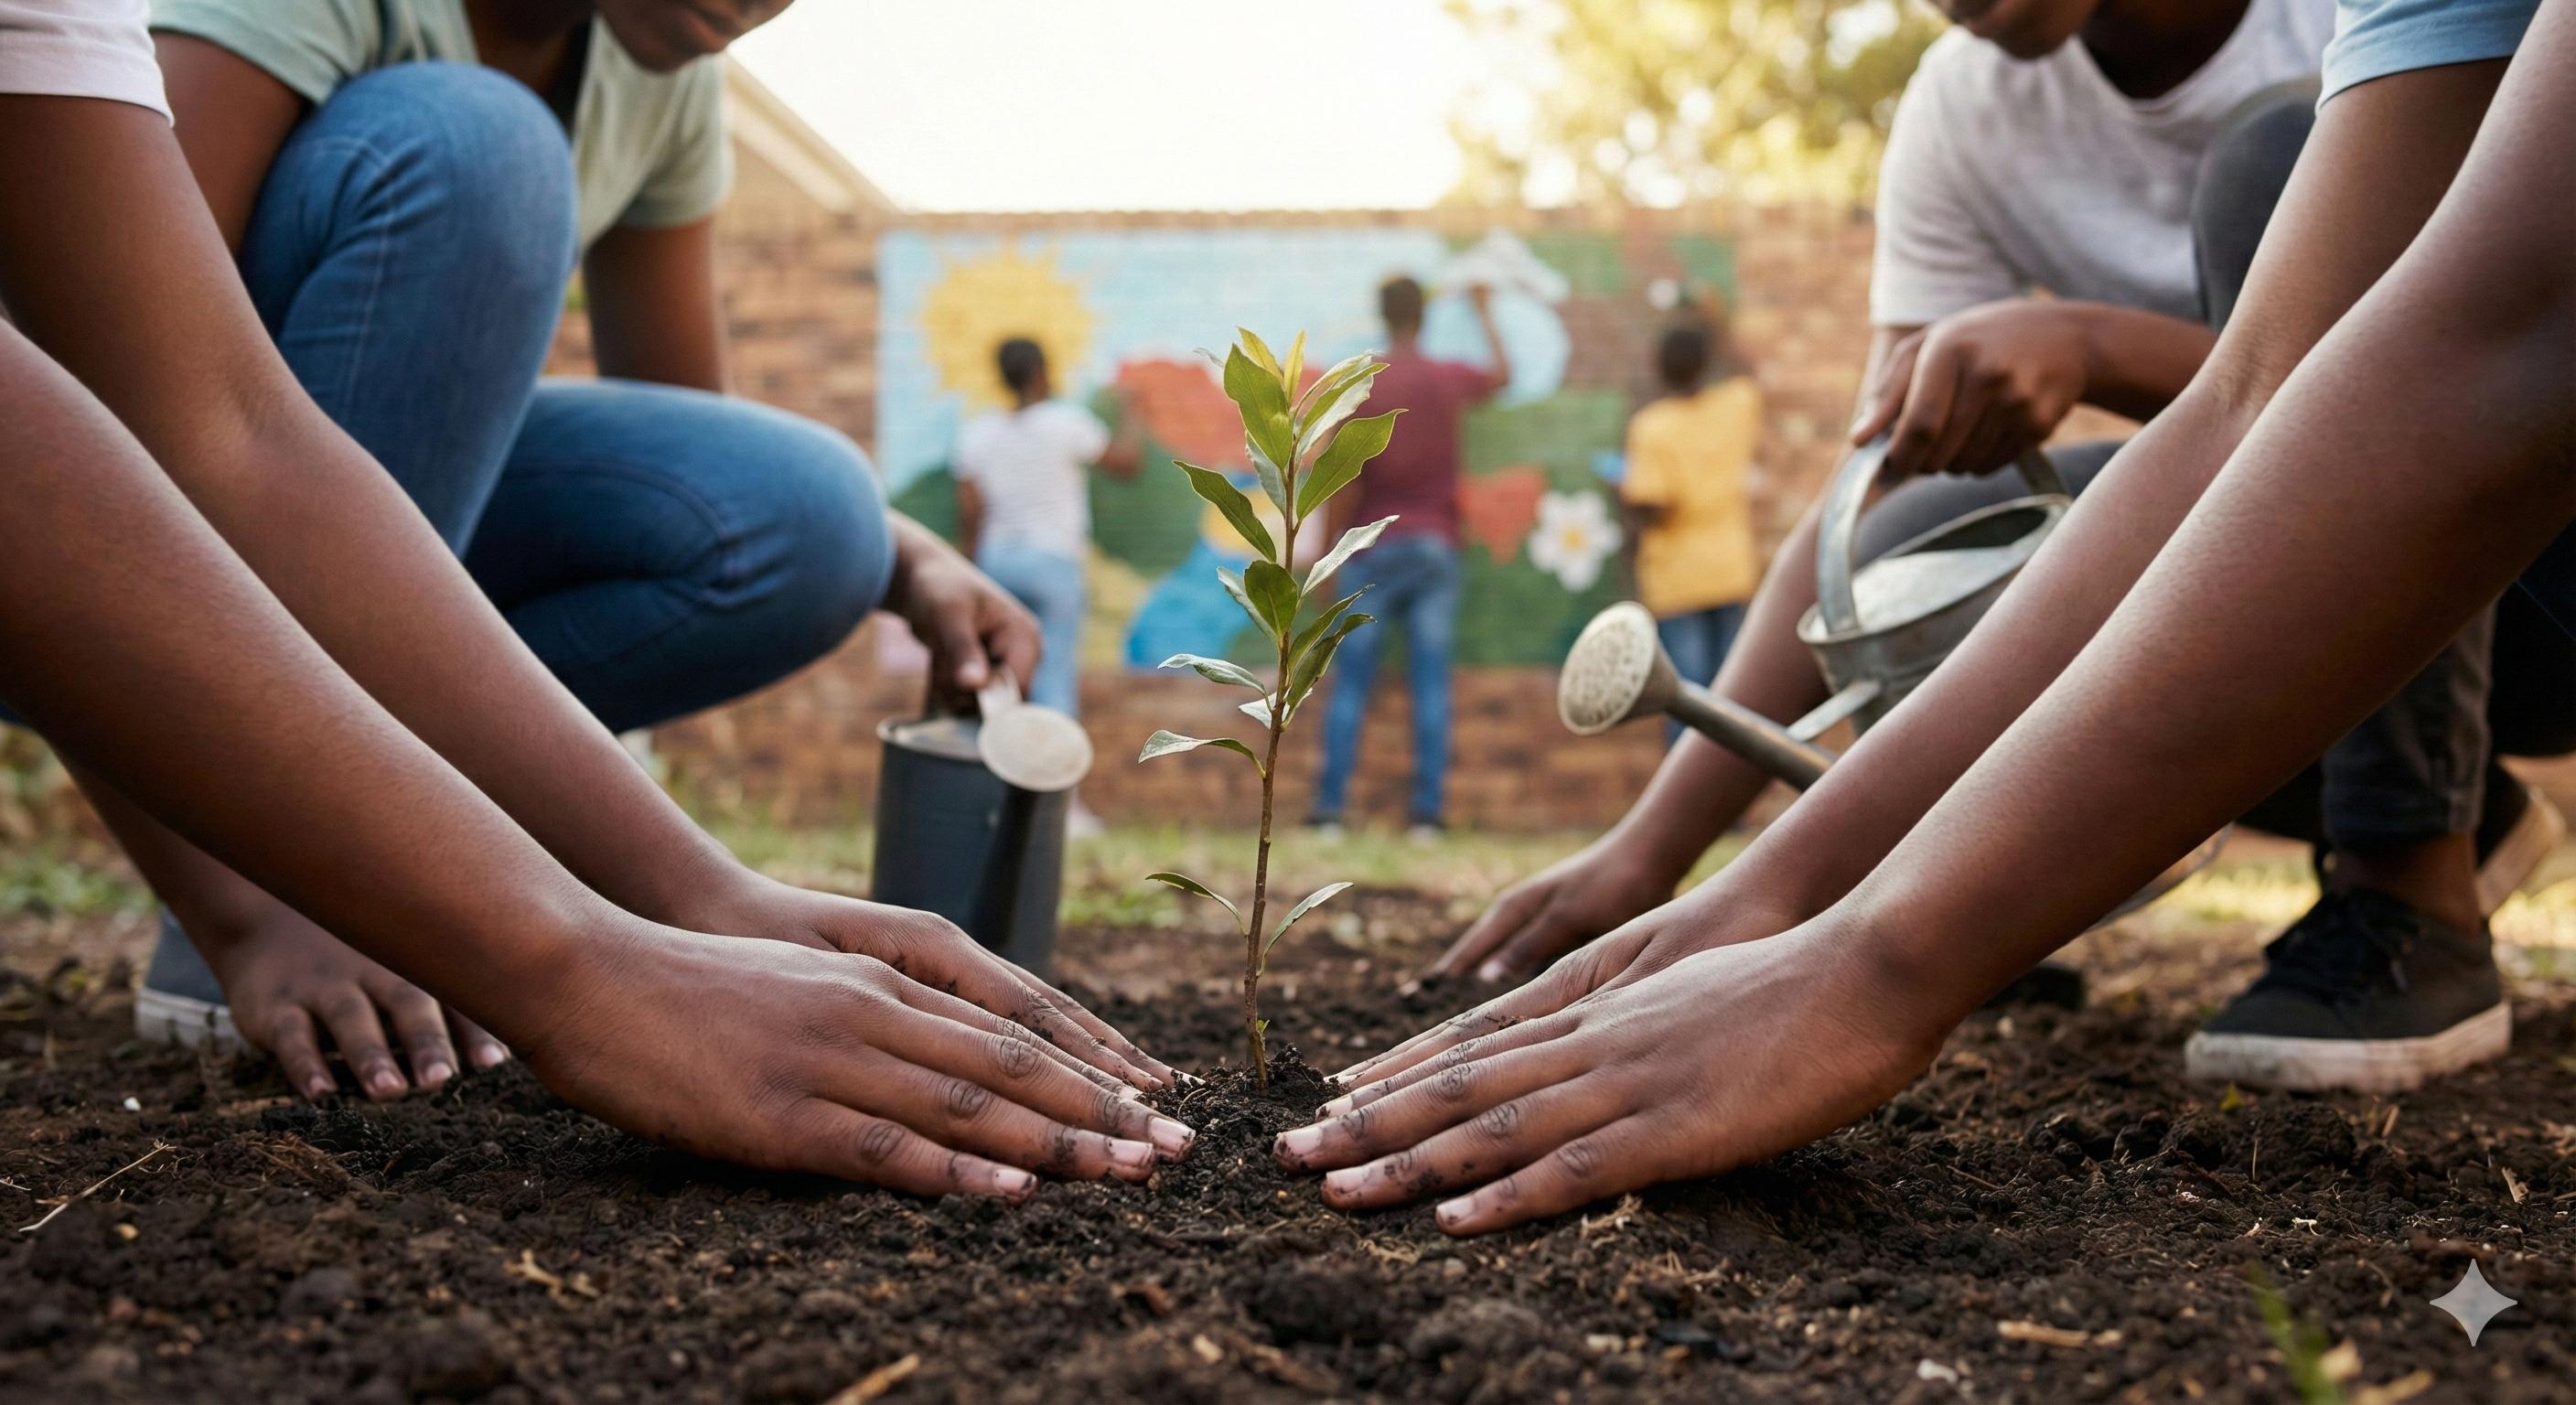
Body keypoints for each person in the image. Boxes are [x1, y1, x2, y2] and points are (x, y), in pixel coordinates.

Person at [1274, 0, 2574, 1234]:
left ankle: (2413, 884)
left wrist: (1883, 964)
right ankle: (2454, 806)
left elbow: (2500, 344)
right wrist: (1761, 888)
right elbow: (2254, 407)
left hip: (2532, 562)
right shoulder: (1972, 107)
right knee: (1907, 554)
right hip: (2396, 579)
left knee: (2269, 165)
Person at [0, 0, 1189, 1196]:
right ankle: (274, 865)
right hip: (103, 524)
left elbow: (227, 427)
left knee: (809, 511)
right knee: (478, 146)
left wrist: (693, 895)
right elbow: (83, 413)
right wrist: (265, 912)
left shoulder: (658, 74)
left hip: (252, 477)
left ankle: (415, 835)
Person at [1307, 278, 1509, 839]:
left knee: (1351, 683)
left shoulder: (1364, 384)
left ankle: (1329, 813)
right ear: (1424, 315)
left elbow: (1339, 478)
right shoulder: (1445, 378)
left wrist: (1327, 561)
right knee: (1430, 683)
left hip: (1372, 550)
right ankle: (1427, 818)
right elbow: (1502, 376)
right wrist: (1485, 309)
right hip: (1435, 549)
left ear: (1382, 313)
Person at [954, 338, 1144, 719]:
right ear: (1041, 373)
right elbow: (1127, 464)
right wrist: (1130, 408)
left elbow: (971, 521)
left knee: (1000, 679)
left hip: (997, 568)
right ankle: (1052, 779)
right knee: (1052, 679)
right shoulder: (1066, 424)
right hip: (1052, 565)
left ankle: (993, 772)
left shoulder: (976, 436)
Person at [1617, 319, 1762, 722]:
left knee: (1687, 701)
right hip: (1729, 568)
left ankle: (1690, 781)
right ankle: (1729, 781)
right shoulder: (1732, 406)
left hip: (1676, 580)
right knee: (1731, 697)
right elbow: (1748, 373)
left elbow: (1654, 504)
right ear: (1705, 365)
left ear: (1658, 368)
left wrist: (1625, 495)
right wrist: (1714, 315)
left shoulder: (1651, 427)